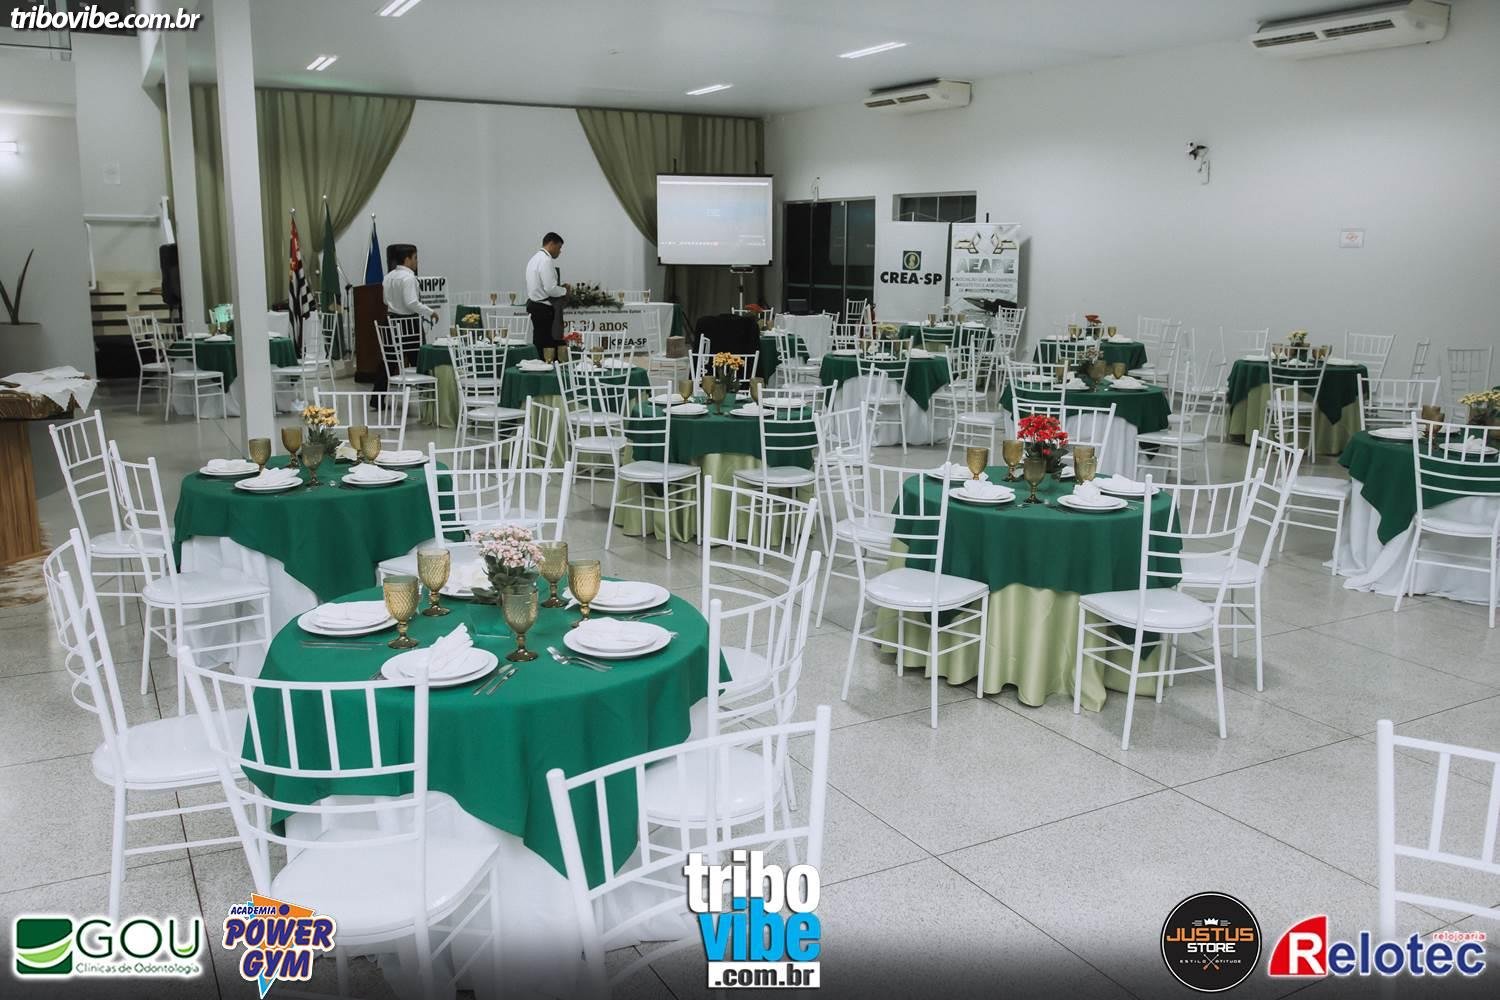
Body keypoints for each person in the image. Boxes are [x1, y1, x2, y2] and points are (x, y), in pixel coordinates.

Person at [380, 243, 435, 390]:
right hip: (408, 323)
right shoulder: (409, 278)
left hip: (391, 321)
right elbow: (411, 302)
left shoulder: (388, 277)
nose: (417, 261)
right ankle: (425, 392)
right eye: (415, 258)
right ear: (407, 259)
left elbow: (385, 300)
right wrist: (430, 312)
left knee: (389, 361)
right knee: (420, 360)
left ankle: (377, 397)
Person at [525, 232, 570, 352]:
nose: (560, 251)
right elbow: (550, 289)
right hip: (544, 309)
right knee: (548, 344)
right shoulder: (546, 260)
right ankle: (547, 362)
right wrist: (565, 290)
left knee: (539, 341)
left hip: (535, 305)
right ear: (551, 244)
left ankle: (539, 361)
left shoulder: (534, 259)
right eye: (559, 247)